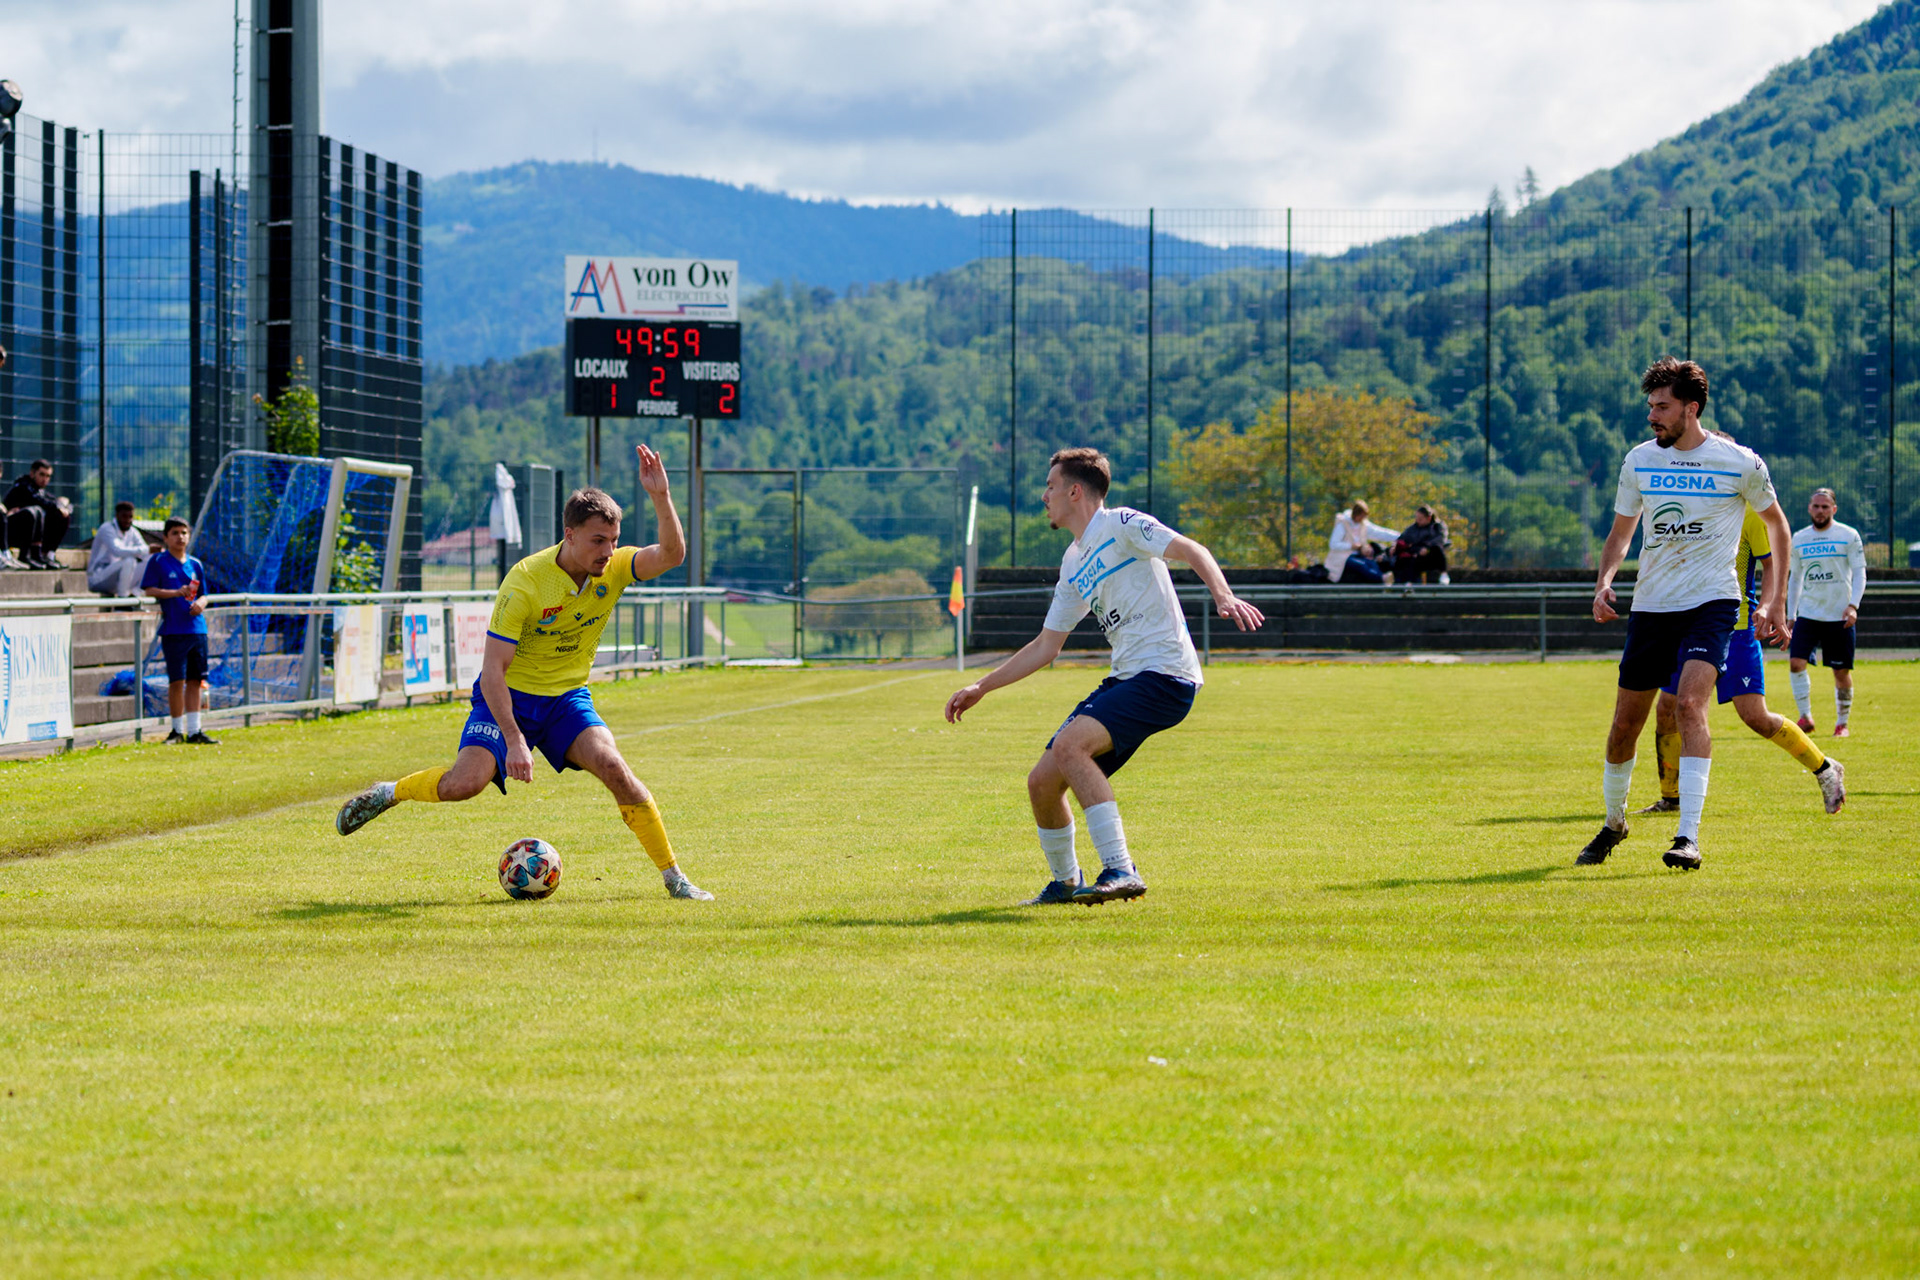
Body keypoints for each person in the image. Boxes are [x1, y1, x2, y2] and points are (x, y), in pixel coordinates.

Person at [335, 444, 714, 901]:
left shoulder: (612, 568)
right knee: (463, 784)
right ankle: (389, 791)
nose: (608, 552)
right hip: (509, 696)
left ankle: (675, 879)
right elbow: (492, 669)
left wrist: (661, 497)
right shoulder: (526, 581)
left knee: (616, 769)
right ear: (569, 535)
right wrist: (515, 740)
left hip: (567, 698)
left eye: (613, 541)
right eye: (598, 541)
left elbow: (671, 555)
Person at [943, 447, 1265, 905]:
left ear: (1075, 491)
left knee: (1072, 746)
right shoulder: (1073, 563)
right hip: (1127, 678)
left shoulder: (1122, 524)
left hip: (1165, 673)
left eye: (1051, 486)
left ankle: (1120, 867)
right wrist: (981, 687)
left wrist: (1223, 595)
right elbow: (1045, 646)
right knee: (1042, 782)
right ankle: (1065, 882)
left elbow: (1192, 549)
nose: (1043, 495)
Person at [1581, 357, 1790, 872]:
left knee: (1691, 706)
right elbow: (1621, 532)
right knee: (1624, 724)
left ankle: (1687, 836)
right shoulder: (1638, 461)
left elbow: (1778, 529)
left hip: (1712, 603)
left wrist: (1774, 600)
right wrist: (1604, 581)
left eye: (1662, 407)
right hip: (1652, 604)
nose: (1652, 416)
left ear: (1690, 408)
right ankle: (1613, 823)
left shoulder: (1740, 462)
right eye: (1650, 406)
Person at [1637, 496, 1844, 817]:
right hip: (1688, 627)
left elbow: (1772, 562)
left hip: (1737, 628)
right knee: (1667, 709)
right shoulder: (1687, 509)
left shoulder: (1748, 514)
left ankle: (1825, 767)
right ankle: (1671, 798)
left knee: (1755, 717)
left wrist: (1768, 605)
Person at [1787, 488, 1866, 738]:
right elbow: (1795, 578)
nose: (1820, 511)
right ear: (1809, 508)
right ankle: (1805, 717)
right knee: (1796, 663)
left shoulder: (1848, 535)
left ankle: (1842, 723)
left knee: (1841, 672)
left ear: (1834, 509)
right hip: (1808, 614)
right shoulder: (1799, 538)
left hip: (1839, 615)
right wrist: (1791, 614)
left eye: (1825, 507)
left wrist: (1853, 605)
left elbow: (1860, 572)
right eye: (1816, 506)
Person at [140, 517, 218, 745]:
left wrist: (202, 603)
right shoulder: (159, 561)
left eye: (184, 532)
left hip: (197, 629)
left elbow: (204, 593)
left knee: (195, 680)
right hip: (174, 630)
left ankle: (195, 731)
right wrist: (175, 593)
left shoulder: (195, 564)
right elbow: (149, 590)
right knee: (177, 681)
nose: (180, 537)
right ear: (165, 537)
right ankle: (176, 731)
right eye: (175, 533)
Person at [4, 458, 72, 570]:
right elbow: (40, 501)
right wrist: (58, 505)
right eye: (42, 475)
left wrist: (64, 505)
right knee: (35, 511)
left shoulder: (40, 490)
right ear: (32, 473)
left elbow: (54, 502)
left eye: (48, 476)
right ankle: (26, 555)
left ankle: (48, 555)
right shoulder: (23, 486)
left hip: (29, 534)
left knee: (62, 515)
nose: (45, 479)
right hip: (10, 532)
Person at [1324, 500, 1396, 584]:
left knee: (1371, 563)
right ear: (1356, 514)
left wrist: (1400, 536)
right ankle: (1382, 579)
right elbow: (1333, 544)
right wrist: (1351, 546)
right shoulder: (1343, 524)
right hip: (1342, 557)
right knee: (1361, 565)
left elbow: (1379, 532)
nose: (1363, 519)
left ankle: (1383, 580)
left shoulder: (1363, 524)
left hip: (1357, 554)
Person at [88, 500, 151, 597]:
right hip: (98, 579)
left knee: (151, 559)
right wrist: (146, 550)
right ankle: (122, 602)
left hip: (119, 581)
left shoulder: (132, 531)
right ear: (117, 516)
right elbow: (117, 551)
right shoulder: (107, 528)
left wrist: (150, 551)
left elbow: (144, 549)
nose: (128, 520)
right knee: (129, 561)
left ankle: (135, 595)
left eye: (130, 517)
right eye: (124, 516)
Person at [1391, 504, 1450, 584]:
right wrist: (1394, 546)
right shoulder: (1412, 529)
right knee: (1407, 560)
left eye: (1420, 519)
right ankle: (1408, 583)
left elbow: (1440, 538)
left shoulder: (1438, 526)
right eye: (1417, 518)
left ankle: (1443, 574)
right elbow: (1402, 539)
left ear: (1428, 518)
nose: (1417, 521)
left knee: (1437, 548)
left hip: (1431, 556)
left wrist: (1427, 547)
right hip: (1417, 555)